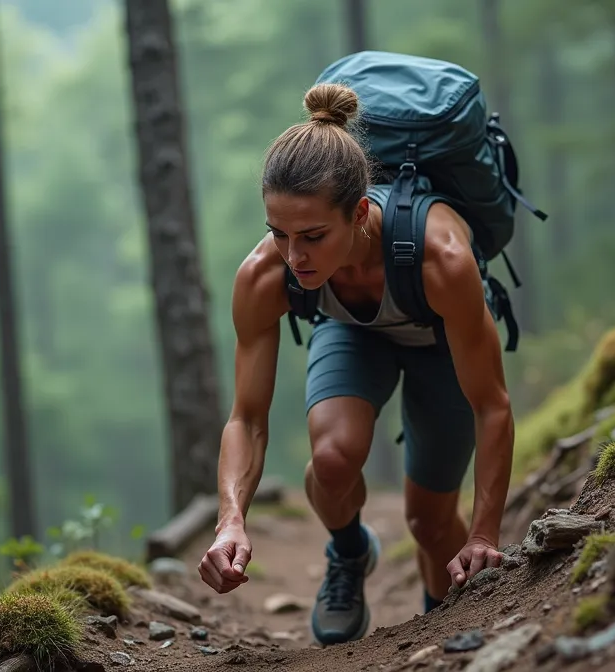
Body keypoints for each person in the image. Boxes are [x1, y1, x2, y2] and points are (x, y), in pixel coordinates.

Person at [197, 81, 515, 646]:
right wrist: (231, 520)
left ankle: (441, 636)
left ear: (361, 213)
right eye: (279, 233)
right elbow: (246, 418)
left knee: (430, 522)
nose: (294, 257)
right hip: (350, 331)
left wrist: (485, 532)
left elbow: (491, 405)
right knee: (334, 458)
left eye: (314, 236)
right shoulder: (264, 275)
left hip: (438, 340)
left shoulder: (441, 258)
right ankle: (349, 553)